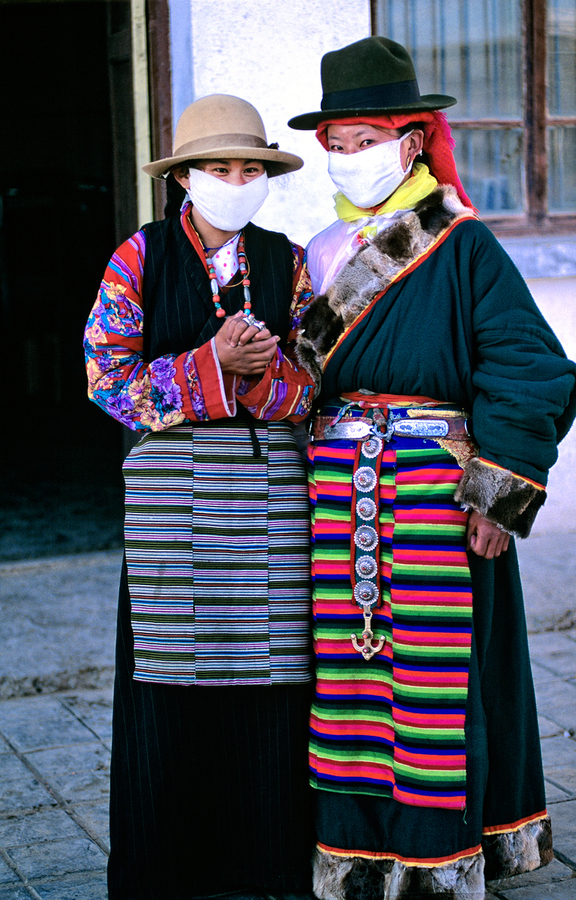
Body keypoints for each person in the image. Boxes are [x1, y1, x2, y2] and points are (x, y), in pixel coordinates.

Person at [287, 36, 576, 900]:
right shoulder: (319, 252)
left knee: (430, 683)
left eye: (367, 139)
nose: (351, 155)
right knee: (347, 679)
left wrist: (497, 495)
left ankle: (437, 860)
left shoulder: (462, 245)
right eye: (338, 143)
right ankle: (356, 850)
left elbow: (529, 364)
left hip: (433, 496)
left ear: (411, 141)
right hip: (338, 495)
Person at [84, 94, 317, 900]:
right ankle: (167, 871)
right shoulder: (138, 259)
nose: (236, 180)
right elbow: (105, 380)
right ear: (184, 177)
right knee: (170, 679)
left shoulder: (290, 262)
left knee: (274, 675)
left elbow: (317, 381)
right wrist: (210, 363)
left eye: (251, 168)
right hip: (173, 504)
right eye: (220, 167)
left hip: (270, 499)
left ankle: (270, 863)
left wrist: (259, 378)